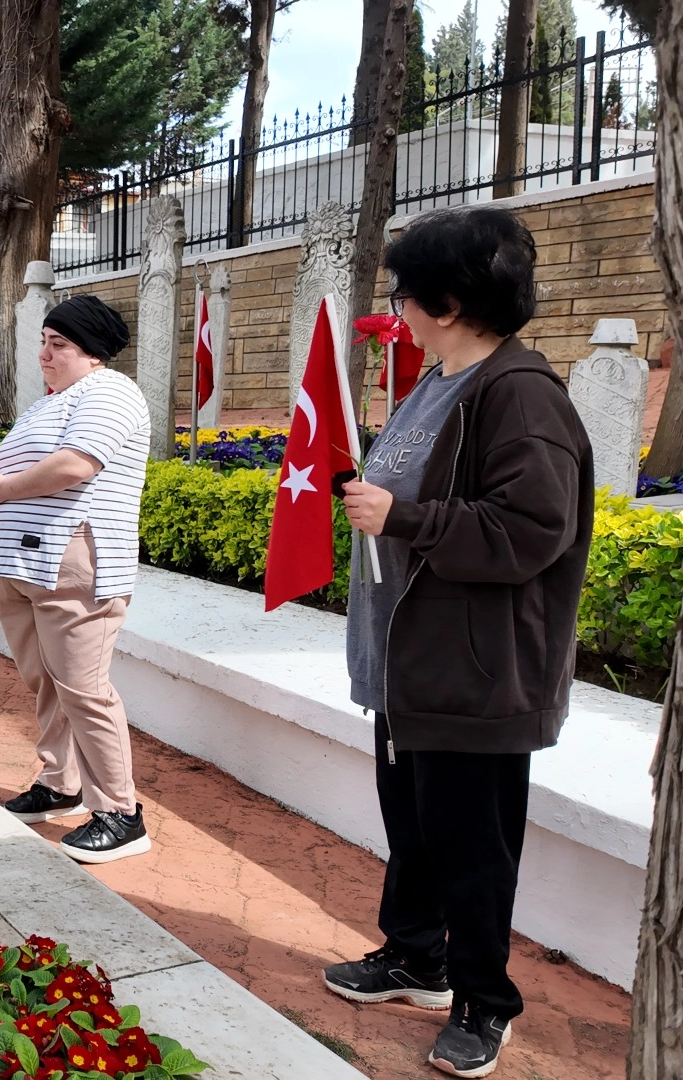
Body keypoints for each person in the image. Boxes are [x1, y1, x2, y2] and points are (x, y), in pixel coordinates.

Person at [320, 206, 595, 1080]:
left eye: (404, 293)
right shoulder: (438, 381)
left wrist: (405, 515)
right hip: (411, 664)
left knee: (472, 847)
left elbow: (531, 528)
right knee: (417, 827)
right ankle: (416, 957)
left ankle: (485, 1002)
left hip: (473, 673)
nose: (395, 308)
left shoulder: (519, 394)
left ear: (446, 300)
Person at [0, 295, 152, 864]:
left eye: (59, 344)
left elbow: (77, 465)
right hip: (22, 565)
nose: (44, 353)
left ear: (93, 352)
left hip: (75, 562)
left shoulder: (112, 392)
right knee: (46, 681)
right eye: (43, 341)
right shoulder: (52, 402)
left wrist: (1, 489)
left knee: (84, 687)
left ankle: (121, 811)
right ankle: (60, 783)